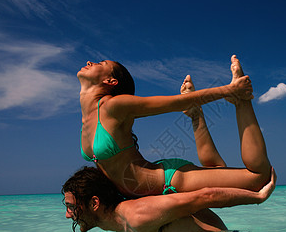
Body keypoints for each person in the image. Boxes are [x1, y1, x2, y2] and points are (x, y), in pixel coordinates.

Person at [78, 55, 271, 197]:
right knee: (216, 167)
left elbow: (175, 103)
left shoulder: (114, 106)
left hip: (168, 181)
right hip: (143, 192)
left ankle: (241, 101)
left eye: (99, 64)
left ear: (110, 81)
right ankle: (196, 116)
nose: (89, 62)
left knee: (257, 178)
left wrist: (230, 90)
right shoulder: (87, 117)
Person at [62, 166, 276, 232]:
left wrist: (258, 197)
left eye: (71, 207)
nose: (68, 215)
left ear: (94, 203)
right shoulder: (121, 220)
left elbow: (205, 196)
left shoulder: (138, 215)